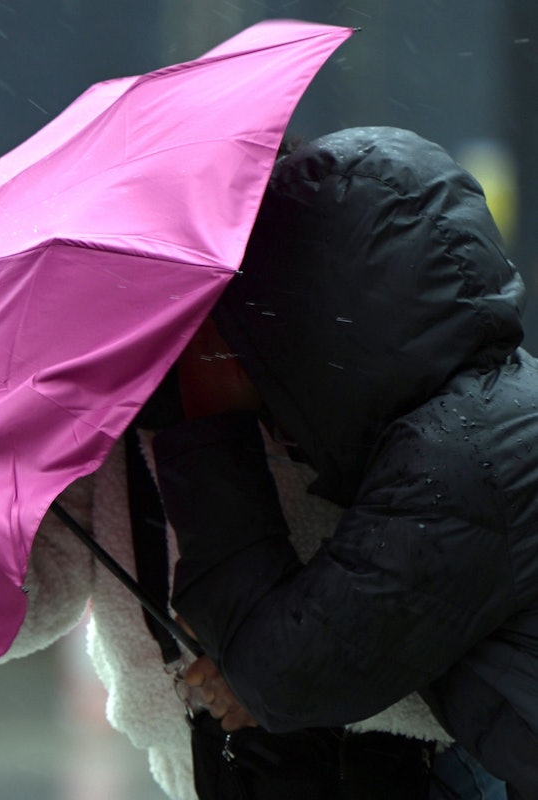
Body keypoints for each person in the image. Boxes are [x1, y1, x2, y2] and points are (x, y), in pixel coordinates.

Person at [152, 127, 530, 797]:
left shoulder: (457, 470)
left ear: (308, 318)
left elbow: (289, 676)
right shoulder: (485, 422)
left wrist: (205, 418)